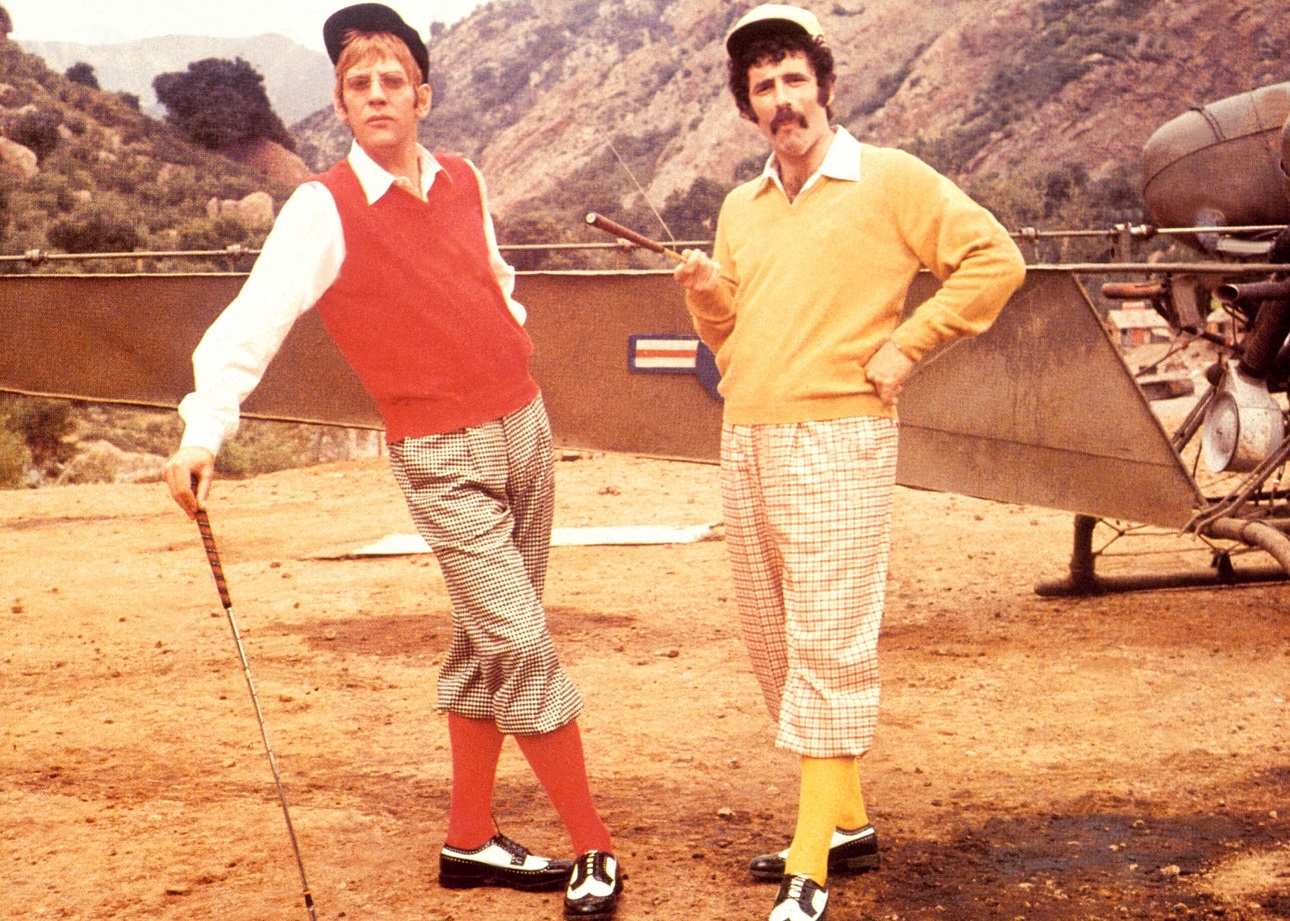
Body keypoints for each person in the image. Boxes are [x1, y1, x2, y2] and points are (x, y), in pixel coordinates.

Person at [161, 5, 622, 918]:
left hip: (524, 427)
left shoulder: (465, 178)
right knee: (521, 644)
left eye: (392, 81)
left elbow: (495, 278)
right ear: (341, 105)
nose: (377, 95)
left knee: (485, 641)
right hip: (439, 452)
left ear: (422, 95)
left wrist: (508, 338)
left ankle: (468, 837)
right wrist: (202, 430)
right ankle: (595, 847)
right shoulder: (319, 209)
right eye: (358, 85)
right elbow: (251, 324)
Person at [672, 6, 1026, 921]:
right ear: (747, 107)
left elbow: (995, 258)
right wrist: (709, 297)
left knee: (828, 639)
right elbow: (734, 334)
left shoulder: (890, 179)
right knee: (779, 641)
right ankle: (848, 823)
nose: (783, 100)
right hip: (746, 434)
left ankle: (809, 863)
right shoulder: (739, 206)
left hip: (840, 438)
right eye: (764, 88)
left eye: (796, 79)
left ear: (825, 85)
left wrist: (910, 346)